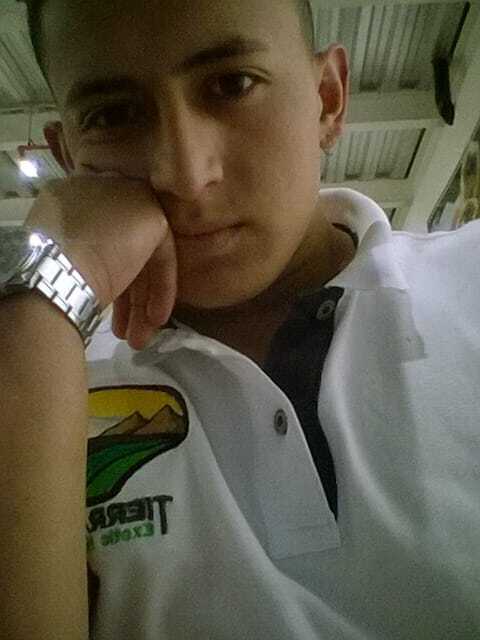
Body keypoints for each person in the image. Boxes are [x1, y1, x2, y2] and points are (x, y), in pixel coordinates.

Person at [1, 0, 479, 638]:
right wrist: (40, 305)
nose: (183, 175)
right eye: (112, 116)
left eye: (233, 84)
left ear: (328, 99)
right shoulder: (38, 383)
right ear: (68, 157)